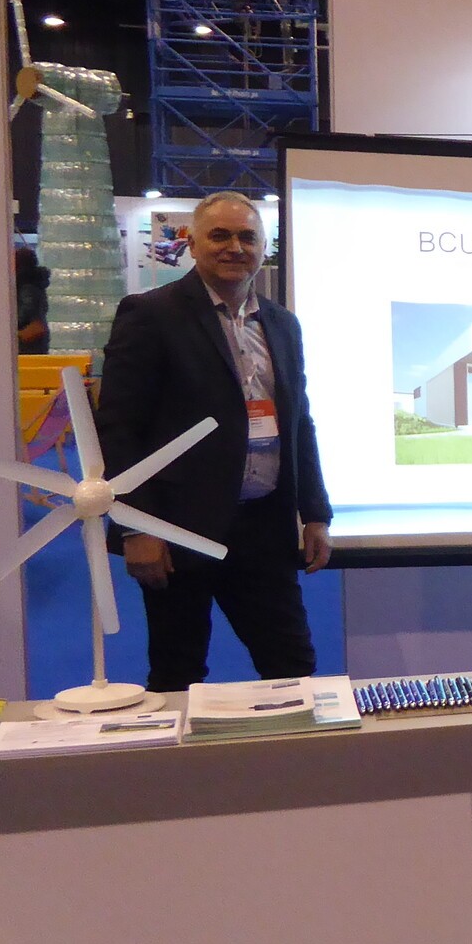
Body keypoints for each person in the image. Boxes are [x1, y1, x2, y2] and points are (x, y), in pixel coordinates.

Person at [94, 190, 331, 691]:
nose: (234, 247)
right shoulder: (151, 314)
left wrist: (315, 513)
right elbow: (118, 427)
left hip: (264, 526)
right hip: (177, 527)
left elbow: (299, 422)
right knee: (178, 673)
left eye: (247, 237)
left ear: (263, 247)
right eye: (219, 235)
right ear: (193, 245)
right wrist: (136, 527)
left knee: (293, 666)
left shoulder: (282, 324)